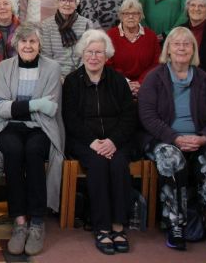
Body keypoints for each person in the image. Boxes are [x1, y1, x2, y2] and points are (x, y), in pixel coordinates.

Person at [138, 27, 206, 252]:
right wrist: (175, 138)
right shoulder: (154, 78)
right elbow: (148, 117)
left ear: (193, 50)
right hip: (162, 139)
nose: (181, 48)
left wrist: (203, 138)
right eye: (176, 44)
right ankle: (175, 225)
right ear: (167, 49)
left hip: (199, 140)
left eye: (186, 44)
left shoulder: (204, 79)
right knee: (171, 158)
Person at [0, 23, 64, 257]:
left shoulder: (52, 68)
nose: (28, 46)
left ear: (39, 44)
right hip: (10, 127)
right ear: (15, 44)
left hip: (42, 128)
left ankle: (37, 221)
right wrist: (35, 105)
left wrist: (17, 107)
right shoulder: (3, 68)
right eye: (23, 41)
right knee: (12, 150)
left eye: (32, 41)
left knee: (33, 151)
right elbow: (0, 110)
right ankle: (20, 222)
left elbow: (50, 110)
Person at [62, 30, 137, 255]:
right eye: (89, 52)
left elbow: (128, 117)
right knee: (97, 165)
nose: (94, 57)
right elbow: (70, 118)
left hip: (117, 141)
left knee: (118, 165)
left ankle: (118, 225)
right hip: (84, 141)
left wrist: (113, 141)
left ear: (107, 56)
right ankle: (102, 226)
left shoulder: (117, 81)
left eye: (99, 53)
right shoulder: (73, 82)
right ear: (82, 54)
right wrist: (93, 142)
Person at [106, 0, 161, 97]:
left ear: (140, 16)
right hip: (117, 86)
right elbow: (107, 65)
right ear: (121, 16)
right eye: (126, 13)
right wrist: (126, 83)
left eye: (135, 13)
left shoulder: (151, 36)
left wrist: (141, 82)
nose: (131, 16)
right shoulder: (110, 35)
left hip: (146, 85)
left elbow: (156, 63)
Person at [39, 0, 96, 78]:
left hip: (81, 75)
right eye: (63, 0)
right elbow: (46, 57)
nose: (67, 4)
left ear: (77, 3)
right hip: (55, 75)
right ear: (57, 2)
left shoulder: (86, 24)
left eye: (71, 1)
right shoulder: (46, 25)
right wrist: (58, 78)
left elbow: (89, 54)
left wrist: (78, 76)